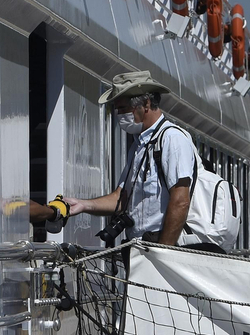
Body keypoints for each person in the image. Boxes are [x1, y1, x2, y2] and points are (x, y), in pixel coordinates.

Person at [65, 71, 195, 246]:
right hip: (140, 248)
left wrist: (164, 253)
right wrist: (83, 205)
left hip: (159, 249)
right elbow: (122, 198)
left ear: (146, 104)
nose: (119, 115)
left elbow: (180, 201)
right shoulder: (139, 145)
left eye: (123, 108)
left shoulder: (172, 139)